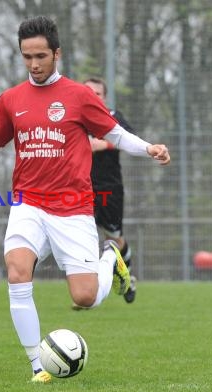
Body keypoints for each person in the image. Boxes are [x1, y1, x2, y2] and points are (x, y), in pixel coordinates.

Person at [0, 16, 170, 383]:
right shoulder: (11, 99)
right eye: (27, 56)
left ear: (57, 53)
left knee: (85, 297)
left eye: (41, 56)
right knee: (16, 271)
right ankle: (37, 366)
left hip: (73, 208)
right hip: (28, 204)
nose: (34, 64)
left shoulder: (79, 96)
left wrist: (150, 148)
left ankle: (110, 258)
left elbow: (117, 135)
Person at [83, 77, 137, 304]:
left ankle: (128, 276)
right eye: (88, 92)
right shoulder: (74, 117)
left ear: (104, 98)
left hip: (109, 187)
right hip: (80, 187)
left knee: (114, 238)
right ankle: (86, 289)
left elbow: (130, 139)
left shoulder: (112, 116)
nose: (92, 96)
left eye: (97, 93)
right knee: (82, 235)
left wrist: (103, 144)